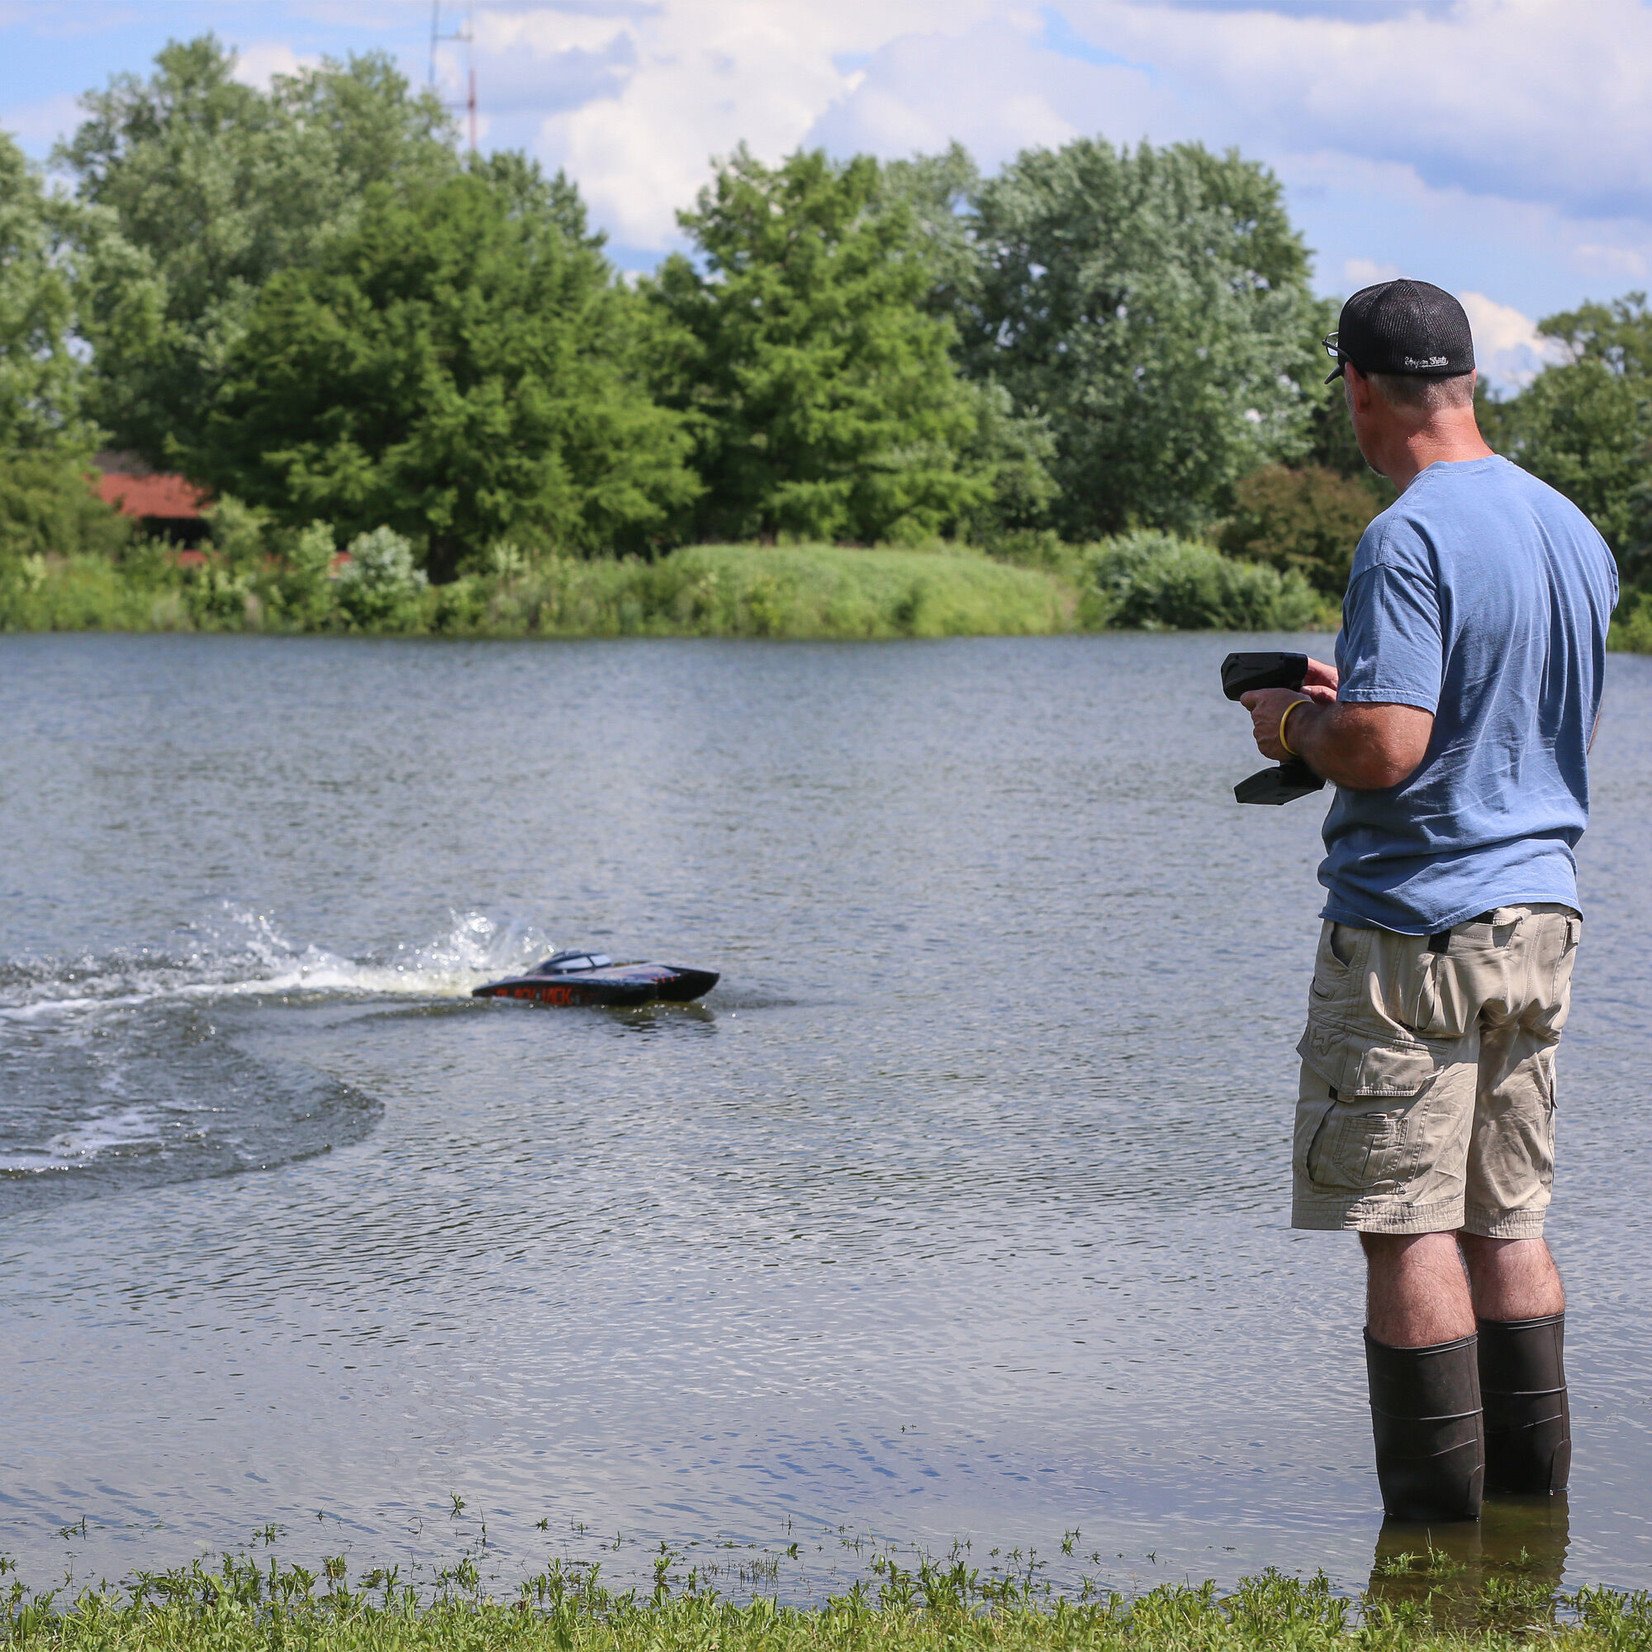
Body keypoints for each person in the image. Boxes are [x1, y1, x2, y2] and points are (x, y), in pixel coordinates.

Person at [1237, 279, 1618, 1523]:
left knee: (1404, 1228)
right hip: (1539, 921)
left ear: (1357, 388)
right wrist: (1359, 704)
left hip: (1415, 930)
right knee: (1505, 1221)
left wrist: (1292, 722)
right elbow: (1501, 720)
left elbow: (1391, 748)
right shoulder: (1567, 527)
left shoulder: (1404, 534)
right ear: (1464, 381)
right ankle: (1529, 1530)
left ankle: (1433, 1548)